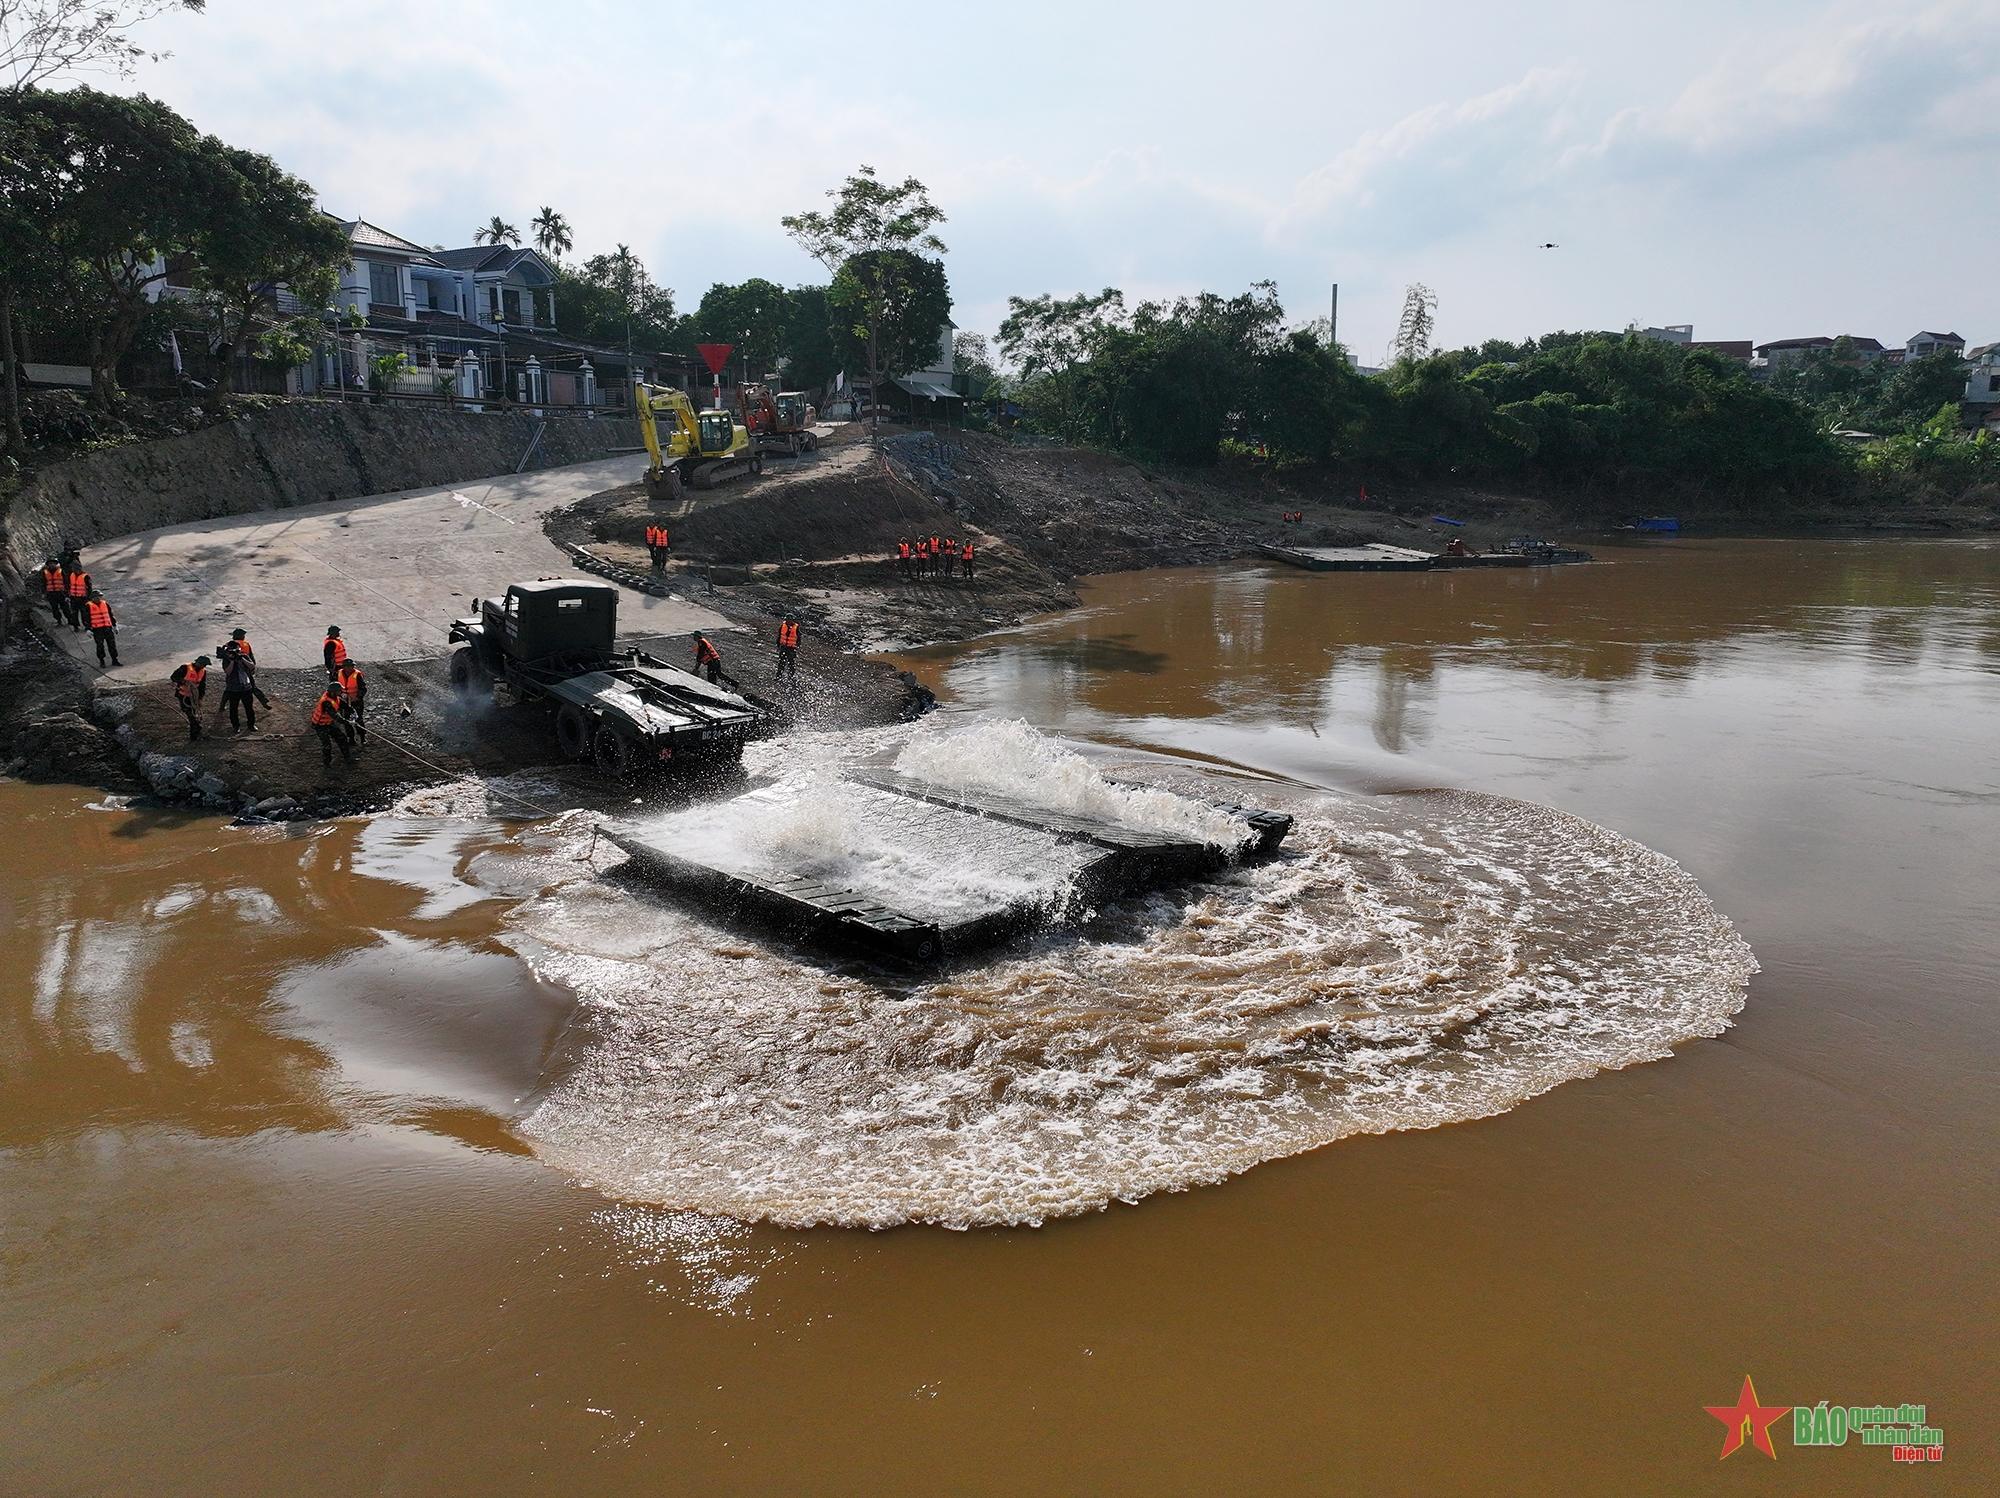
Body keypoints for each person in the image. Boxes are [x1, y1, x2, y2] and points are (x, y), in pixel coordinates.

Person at [310, 681, 354, 770]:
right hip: (320, 725)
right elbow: (334, 715)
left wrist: (352, 711)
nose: (341, 692)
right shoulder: (326, 702)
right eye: (339, 691)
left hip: (329, 723)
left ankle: (347, 758)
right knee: (327, 745)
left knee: (342, 738)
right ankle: (327, 763)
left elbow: (344, 706)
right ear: (333, 692)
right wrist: (346, 722)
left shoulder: (335, 697)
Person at [217, 646, 258, 733]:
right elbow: (228, 672)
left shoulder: (244, 656)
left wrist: (242, 659)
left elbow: (252, 666)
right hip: (233, 688)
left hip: (246, 687)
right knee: (233, 708)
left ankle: (251, 725)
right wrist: (232, 661)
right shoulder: (227, 659)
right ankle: (236, 726)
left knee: (249, 708)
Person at [170, 654, 210, 739]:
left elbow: (202, 686)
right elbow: (173, 677)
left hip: (194, 697)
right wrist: (183, 681)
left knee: (193, 714)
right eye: (203, 665)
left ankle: (195, 733)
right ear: (198, 663)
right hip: (183, 695)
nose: (204, 666)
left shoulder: (203, 672)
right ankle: (195, 733)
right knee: (190, 714)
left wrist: (200, 699)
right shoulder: (185, 668)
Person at [335, 660, 368, 745]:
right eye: (348, 666)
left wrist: (357, 697)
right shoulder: (338, 673)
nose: (350, 668)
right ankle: (351, 738)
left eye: (351, 666)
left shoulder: (357, 675)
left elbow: (363, 689)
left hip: (356, 702)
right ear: (344, 667)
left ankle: (362, 737)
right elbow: (335, 685)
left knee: (358, 719)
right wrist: (340, 695)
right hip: (344, 701)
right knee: (347, 720)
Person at [84, 590, 120, 667]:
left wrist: (115, 625)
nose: (98, 598)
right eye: (96, 597)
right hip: (97, 630)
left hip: (107, 628)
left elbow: (111, 615)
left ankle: (115, 660)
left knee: (112, 645)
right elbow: (86, 618)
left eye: (99, 597)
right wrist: (88, 629)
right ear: (92, 598)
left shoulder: (105, 604)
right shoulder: (88, 606)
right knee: (100, 646)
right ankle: (102, 661)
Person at [65, 564, 91, 632]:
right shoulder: (71, 575)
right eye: (74, 569)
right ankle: (75, 626)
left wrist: (89, 598)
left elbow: (89, 588)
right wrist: (67, 596)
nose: (76, 570)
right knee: (74, 613)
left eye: (77, 569)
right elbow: (68, 586)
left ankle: (86, 626)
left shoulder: (85, 576)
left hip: (83, 598)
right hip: (73, 598)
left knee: (84, 614)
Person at [775, 616, 800, 681]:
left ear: (792, 620)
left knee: (791, 663)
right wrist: (778, 645)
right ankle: (778, 676)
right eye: (786, 620)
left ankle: (790, 677)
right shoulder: (782, 626)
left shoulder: (796, 628)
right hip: (783, 647)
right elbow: (779, 636)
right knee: (781, 663)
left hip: (791, 648)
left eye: (789, 620)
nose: (787, 621)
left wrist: (797, 646)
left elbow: (799, 638)